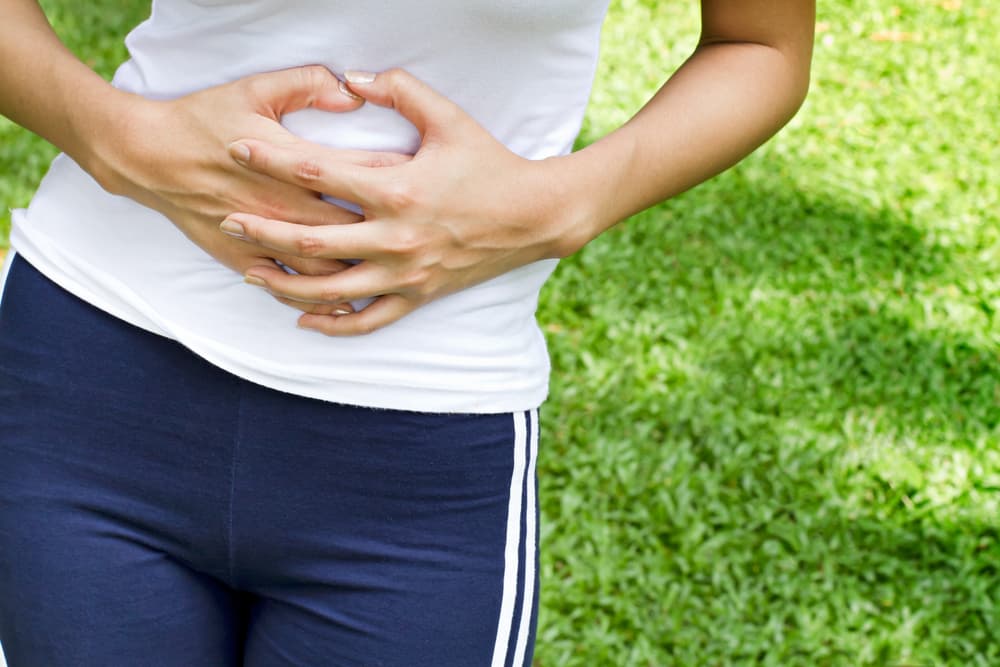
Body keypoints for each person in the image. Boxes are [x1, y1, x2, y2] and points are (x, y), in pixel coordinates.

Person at [0, 0, 815, 665]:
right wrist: (120, 141)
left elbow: (761, 46)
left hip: (419, 466)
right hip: (89, 388)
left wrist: (560, 206)